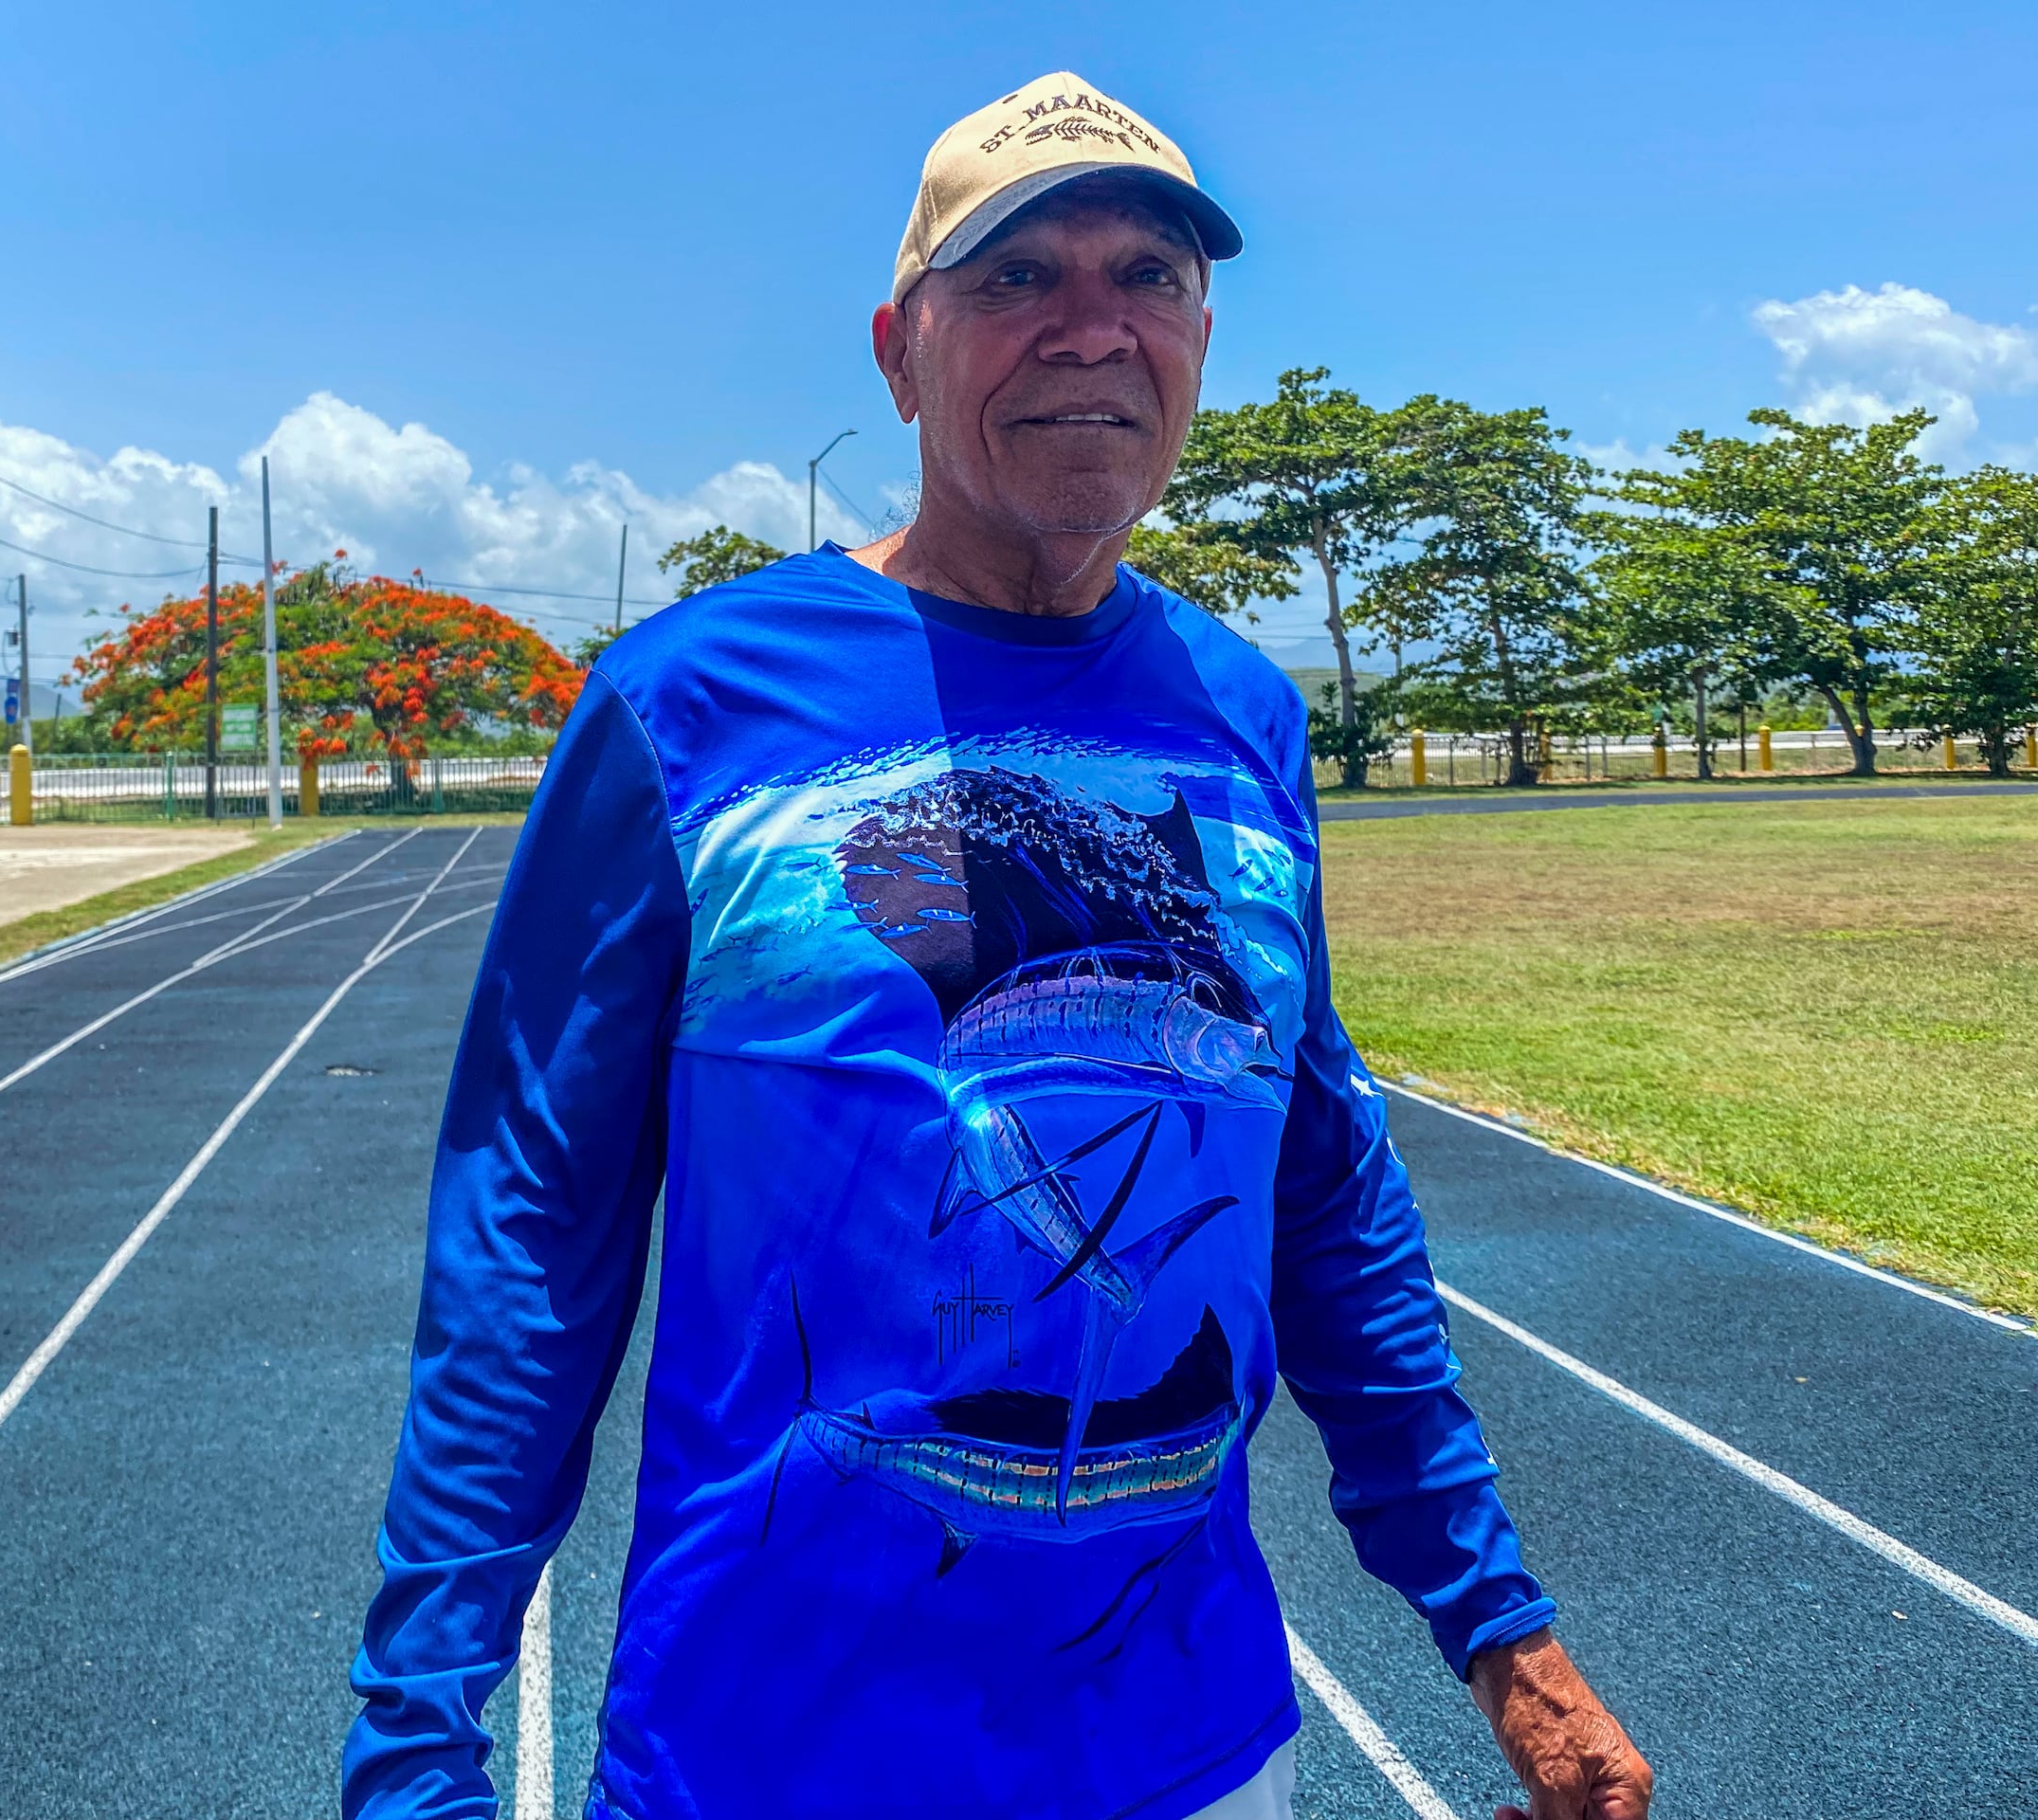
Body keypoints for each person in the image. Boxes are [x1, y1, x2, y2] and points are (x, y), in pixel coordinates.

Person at [345, 71, 1654, 1820]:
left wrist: (1505, 1635)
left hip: (1195, 1754)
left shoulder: (1242, 717)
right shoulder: (689, 706)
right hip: (776, 1758)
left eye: (1149, 277)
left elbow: (1324, 1196)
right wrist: (418, 1747)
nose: (1091, 329)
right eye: (1017, 277)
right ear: (901, 349)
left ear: (1201, 336)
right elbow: (527, 1236)